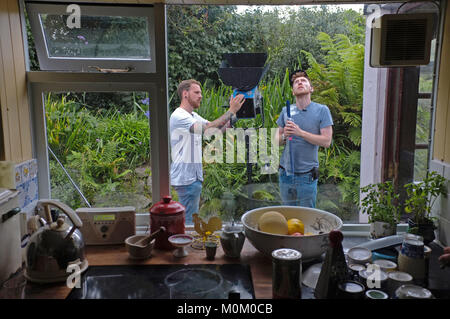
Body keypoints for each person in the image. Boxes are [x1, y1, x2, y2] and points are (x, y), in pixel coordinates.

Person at [170, 79, 245, 223]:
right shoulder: (179, 116)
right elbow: (208, 128)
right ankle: (185, 244)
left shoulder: (192, 116)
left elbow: (212, 133)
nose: (201, 96)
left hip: (193, 178)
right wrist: (230, 111)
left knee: (190, 218)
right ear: (185, 94)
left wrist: (232, 120)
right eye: (196, 92)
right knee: (188, 222)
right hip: (186, 179)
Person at [276, 70, 333, 208]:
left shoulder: (322, 110)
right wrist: (284, 136)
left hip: (307, 176)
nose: (300, 83)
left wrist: (300, 133)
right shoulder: (286, 110)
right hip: (285, 174)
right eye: (296, 82)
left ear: (311, 88)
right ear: (293, 91)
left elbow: (326, 141)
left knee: (307, 217)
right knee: (288, 216)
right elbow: (275, 141)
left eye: (303, 81)